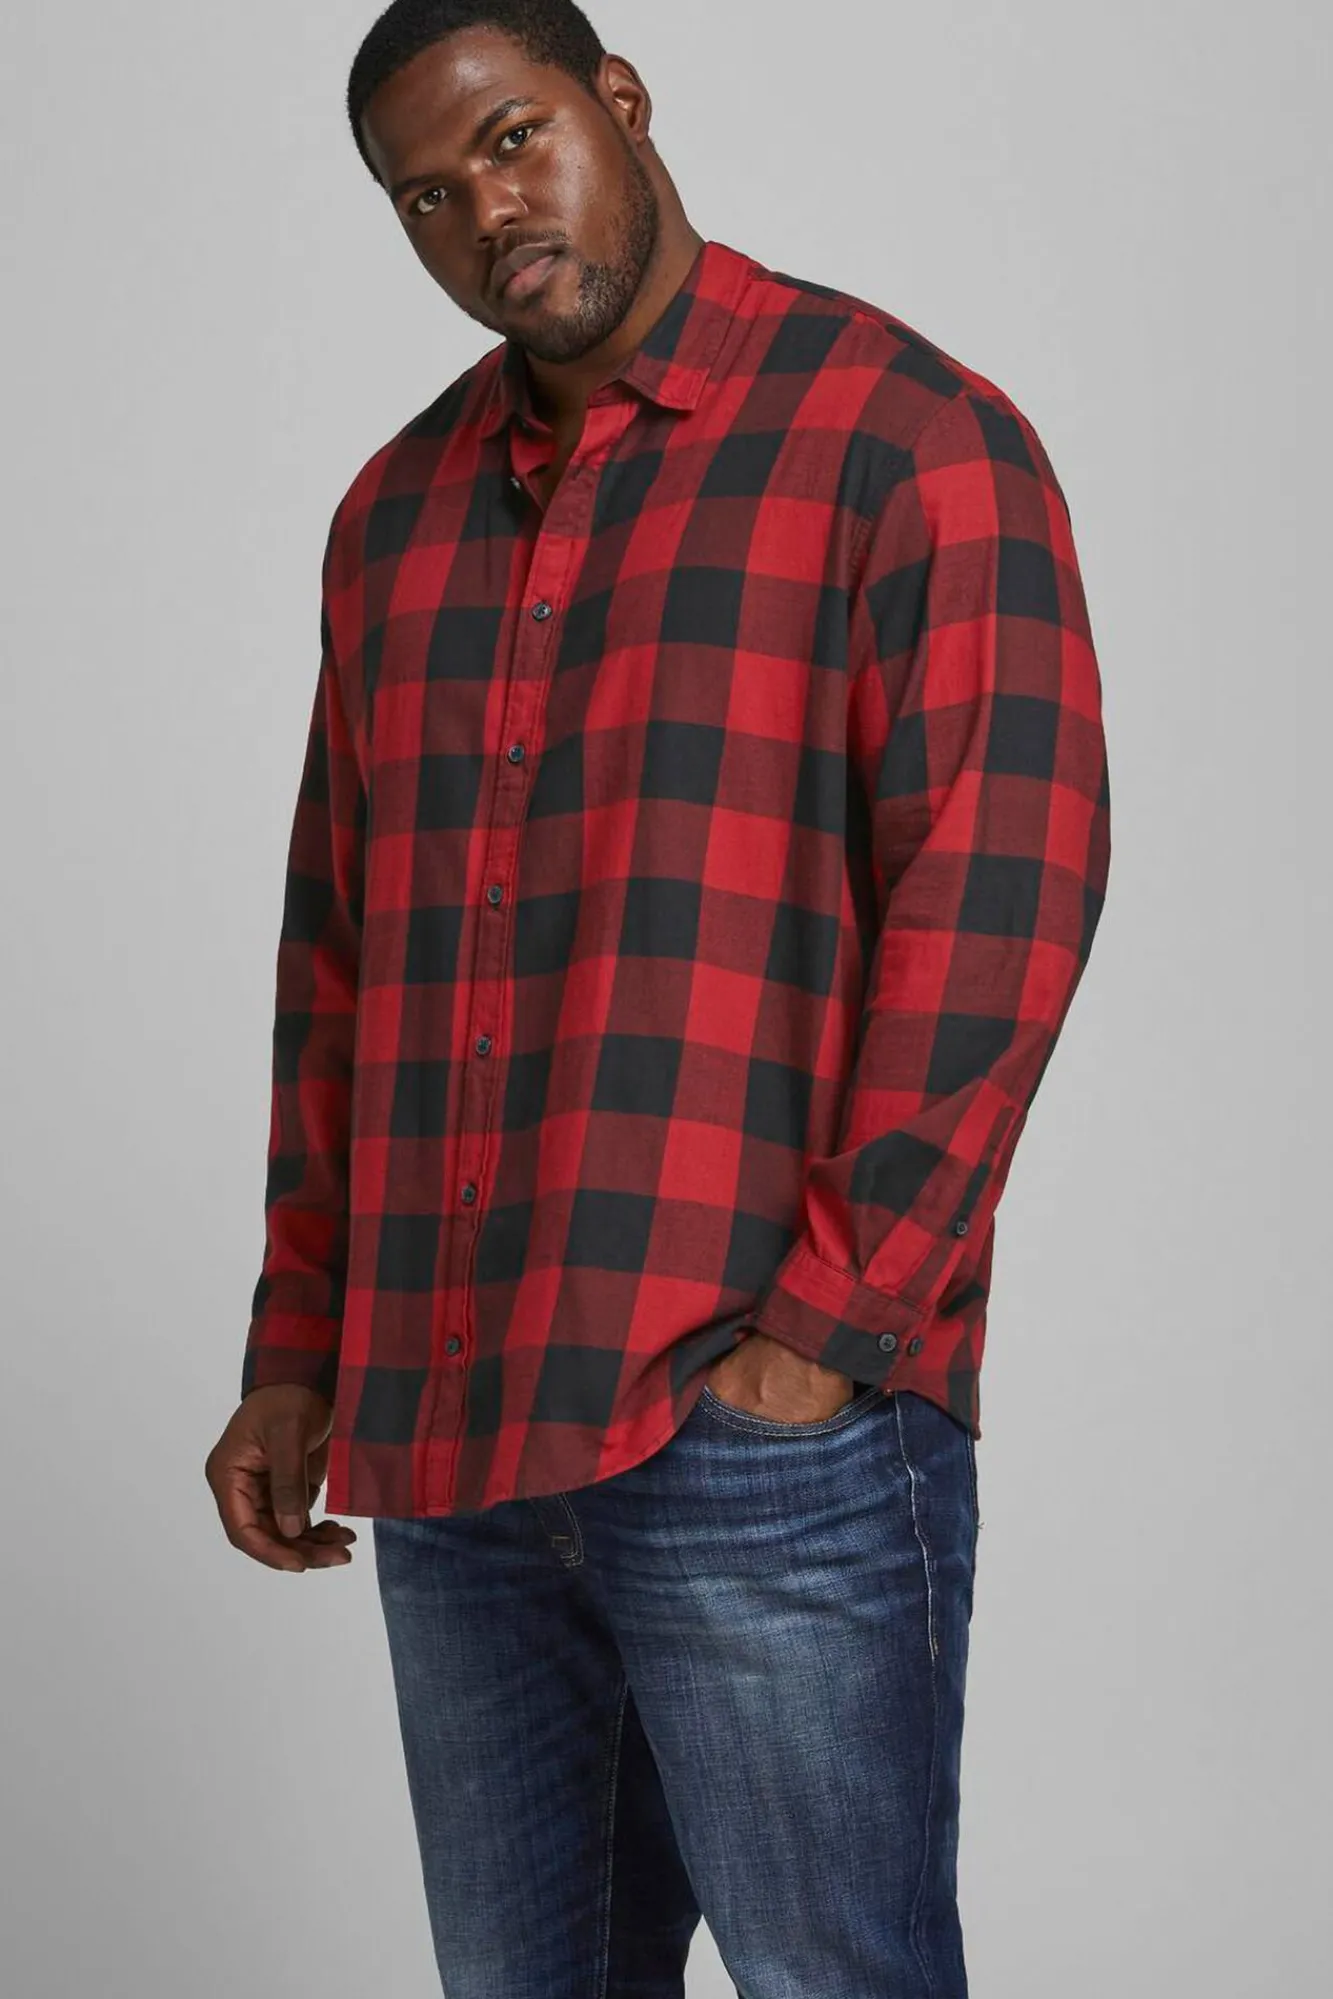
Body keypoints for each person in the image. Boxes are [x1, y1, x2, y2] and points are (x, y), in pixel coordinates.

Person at [205, 2, 1111, 1992]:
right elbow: (336, 955)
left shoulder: (904, 438)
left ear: (618, 102)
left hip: (763, 1430)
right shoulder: (392, 519)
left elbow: (1003, 896)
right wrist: (300, 1341)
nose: (485, 213)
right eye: (424, 195)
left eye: (513, 139)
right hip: (454, 1434)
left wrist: (825, 1341)